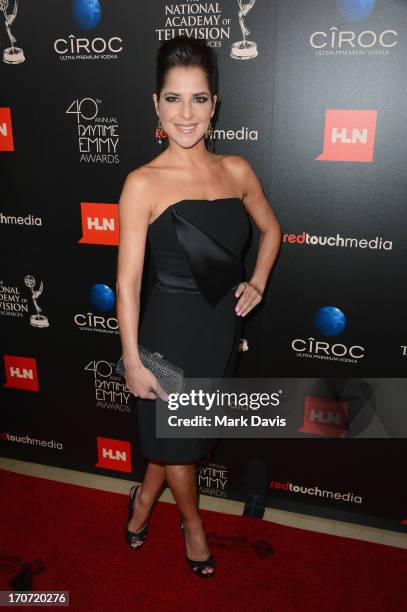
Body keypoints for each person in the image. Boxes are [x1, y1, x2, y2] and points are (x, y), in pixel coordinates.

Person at [116, 34, 281, 577]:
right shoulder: (142, 183)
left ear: (215, 103)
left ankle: (143, 499)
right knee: (179, 444)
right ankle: (193, 527)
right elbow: (129, 281)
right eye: (173, 99)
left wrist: (256, 280)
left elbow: (271, 228)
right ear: (155, 105)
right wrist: (133, 362)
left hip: (219, 335)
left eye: (199, 99)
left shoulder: (236, 170)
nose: (185, 114)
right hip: (164, 336)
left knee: (175, 440)